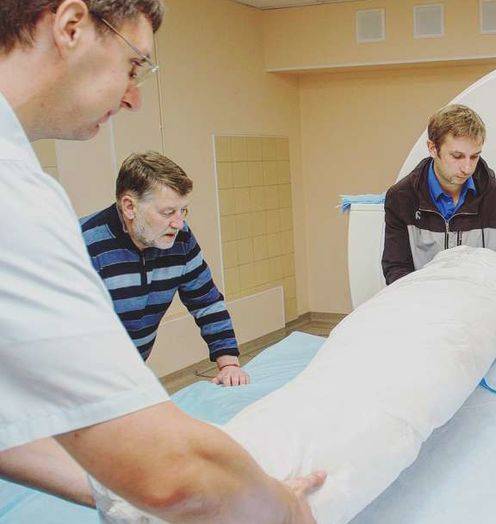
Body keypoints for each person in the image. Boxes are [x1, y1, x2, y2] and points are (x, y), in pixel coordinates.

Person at [0, 1, 322, 521]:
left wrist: (112, 494)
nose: (133, 97)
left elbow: (8, 427)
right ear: (71, 26)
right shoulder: (18, 200)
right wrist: (284, 507)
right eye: (133, 65)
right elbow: (166, 473)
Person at [82, 151, 250, 386]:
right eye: (168, 212)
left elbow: (206, 302)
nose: (179, 223)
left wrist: (229, 364)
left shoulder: (180, 239)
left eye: (183, 211)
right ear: (129, 207)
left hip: (131, 374)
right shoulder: (81, 246)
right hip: (81, 379)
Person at [382, 104, 496, 314]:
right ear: (433, 148)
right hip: (424, 307)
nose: (467, 168)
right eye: (457, 156)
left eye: (474, 156)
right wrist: (420, 305)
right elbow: (396, 266)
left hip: (482, 309)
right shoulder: (402, 198)